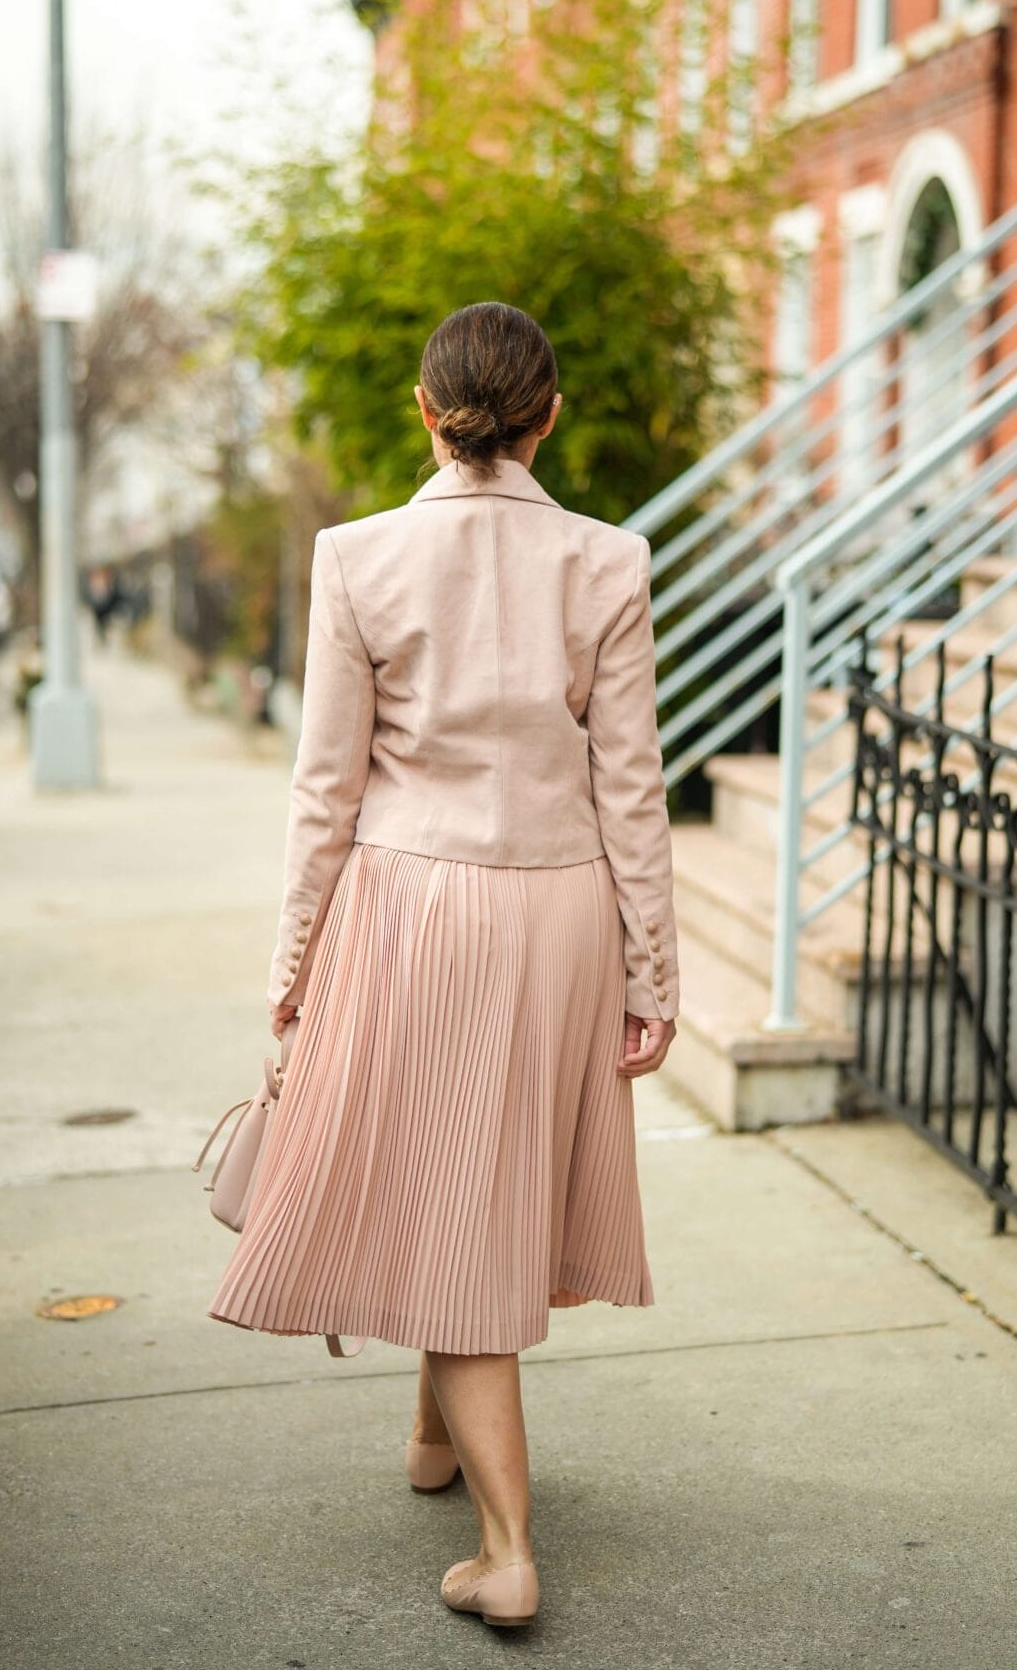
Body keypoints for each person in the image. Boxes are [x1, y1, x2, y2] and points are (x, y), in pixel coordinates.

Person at [207, 302, 679, 1629]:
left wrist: (291, 969)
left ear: (427, 411)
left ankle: (509, 1548)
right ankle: (432, 1436)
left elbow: (325, 792)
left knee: (451, 1180)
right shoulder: (611, 560)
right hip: (563, 905)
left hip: (411, 899)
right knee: (471, 1175)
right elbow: (632, 789)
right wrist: (657, 972)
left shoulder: (357, 556)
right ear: (551, 415)